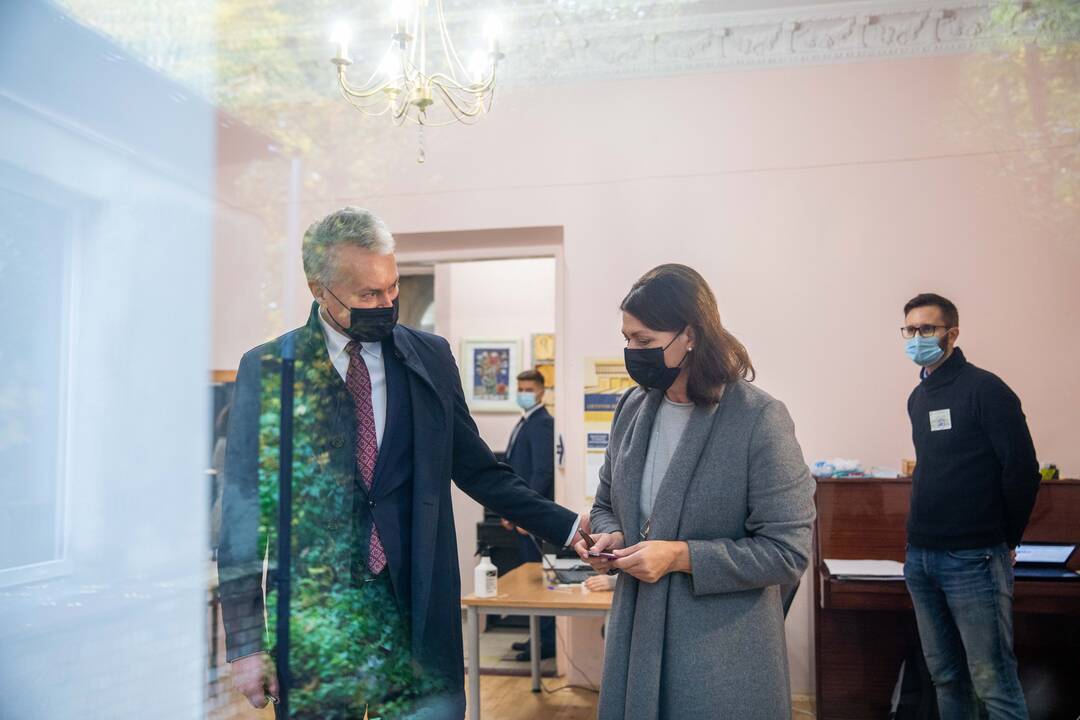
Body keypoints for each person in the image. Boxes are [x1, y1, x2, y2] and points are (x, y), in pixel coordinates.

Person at [218, 207, 584, 719]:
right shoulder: (270, 370)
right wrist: (245, 643)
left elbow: (478, 469)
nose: (387, 304)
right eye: (368, 296)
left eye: (392, 288)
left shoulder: (430, 358)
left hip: (417, 616)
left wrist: (569, 526)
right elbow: (242, 514)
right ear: (319, 288)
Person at [574, 264, 815, 720]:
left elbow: (787, 552)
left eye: (644, 341)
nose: (631, 351)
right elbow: (606, 505)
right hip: (636, 638)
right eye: (626, 338)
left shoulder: (757, 419)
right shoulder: (631, 407)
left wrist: (680, 556)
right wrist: (612, 536)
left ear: (691, 335)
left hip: (719, 655)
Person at [899, 293, 1040, 720]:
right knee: (945, 675)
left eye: (928, 329)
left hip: (974, 557)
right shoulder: (918, 397)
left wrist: (1006, 540)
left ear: (952, 334)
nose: (917, 337)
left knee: (992, 679)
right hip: (921, 557)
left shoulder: (985, 389)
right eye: (910, 330)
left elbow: (1022, 471)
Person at [499, 369, 556, 661]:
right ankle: (536, 636)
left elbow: (542, 472)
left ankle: (546, 642)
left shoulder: (543, 423)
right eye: (519, 387)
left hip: (534, 516)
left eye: (528, 388)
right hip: (521, 512)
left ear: (541, 392)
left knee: (540, 580)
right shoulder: (524, 422)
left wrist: (525, 512)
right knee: (531, 580)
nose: (523, 392)